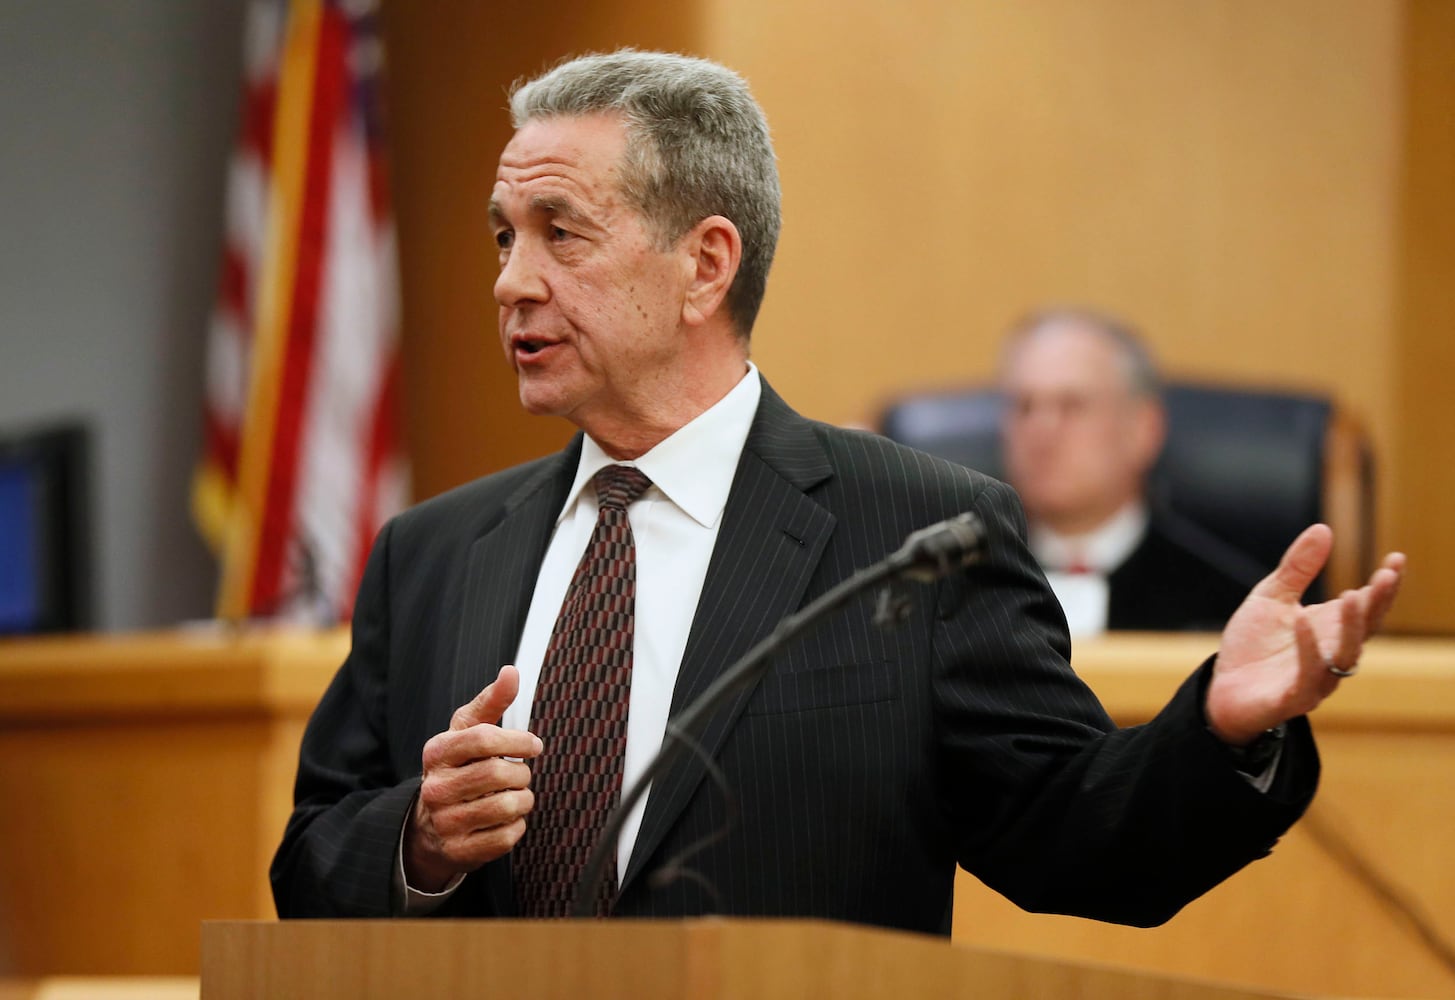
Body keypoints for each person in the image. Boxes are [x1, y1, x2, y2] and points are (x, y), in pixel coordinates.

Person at [270, 50, 1404, 935]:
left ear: (705, 264)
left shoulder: (915, 536)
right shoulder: (432, 552)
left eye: (559, 233)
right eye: (503, 237)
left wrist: (1220, 731)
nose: (512, 281)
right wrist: (418, 842)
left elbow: (1079, 841)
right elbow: (310, 861)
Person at [999, 308, 1265, 633]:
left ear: (1143, 429)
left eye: (1072, 405)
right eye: (1024, 407)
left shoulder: (1228, 610)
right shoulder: (962, 590)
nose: (1041, 431)